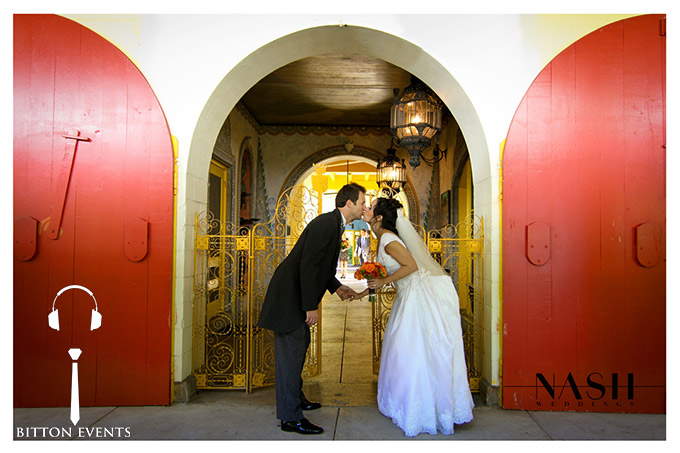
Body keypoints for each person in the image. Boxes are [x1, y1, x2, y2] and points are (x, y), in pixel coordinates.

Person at [353, 197, 474, 437]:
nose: (365, 208)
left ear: (378, 217)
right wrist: (363, 292)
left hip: (418, 297)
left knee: (413, 349)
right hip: (408, 295)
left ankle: (422, 409)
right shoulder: (383, 238)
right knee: (407, 349)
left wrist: (384, 281)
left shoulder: (387, 238)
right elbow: (390, 271)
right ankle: (413, 403)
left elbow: (411, 266)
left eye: (370, 207)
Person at [257, 183, 366, 435]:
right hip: (289, 299)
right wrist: (310, 306)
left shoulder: (334, 223)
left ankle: (297, 398)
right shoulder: (326, 223)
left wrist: (337, 287)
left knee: (300, 345)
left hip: (295, 296)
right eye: (362, 202)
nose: (364, 207)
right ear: (349, 203)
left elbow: (321, 266)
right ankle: (290, 417)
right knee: (290, 355)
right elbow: (308, 265)